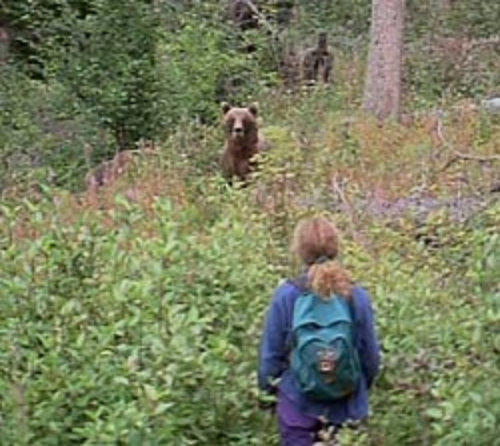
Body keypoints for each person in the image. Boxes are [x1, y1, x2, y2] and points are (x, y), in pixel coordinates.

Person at [257, 216, 381, 445]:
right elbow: (370, 358)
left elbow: (270, 358)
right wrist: (358, 390)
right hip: (346, 407)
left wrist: (267, 397)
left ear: (300, 251)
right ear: (336, 248)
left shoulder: (287, 295)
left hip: (297, 406)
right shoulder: (356, 296)